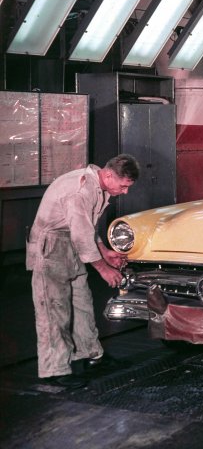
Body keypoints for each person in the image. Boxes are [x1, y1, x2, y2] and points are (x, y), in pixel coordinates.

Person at [26, 154, 140, 389]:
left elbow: (87, 228)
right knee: (54, 310)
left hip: (73, 244)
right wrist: (104, 269)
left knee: (82, 304)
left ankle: (92, 355)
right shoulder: (80, 191)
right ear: (109, 175)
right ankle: (54, 371)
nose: (125, 192)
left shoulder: (98, 186)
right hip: (52, 247)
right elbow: (79, 233)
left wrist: (105, 252)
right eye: (124, 186)